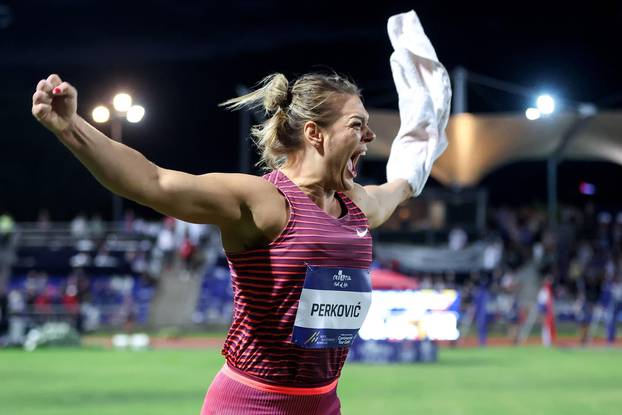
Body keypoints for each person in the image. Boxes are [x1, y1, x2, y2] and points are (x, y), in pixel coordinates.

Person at [32, 10, 449, 415]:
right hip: (250, 404)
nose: (371, 136)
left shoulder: (357, 206)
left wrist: (424, 129)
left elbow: (402, 185)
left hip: (324, 403)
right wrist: (72, 128)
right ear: (314, 133)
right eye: (357, 125)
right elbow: (153, 182)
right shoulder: (265, 202)